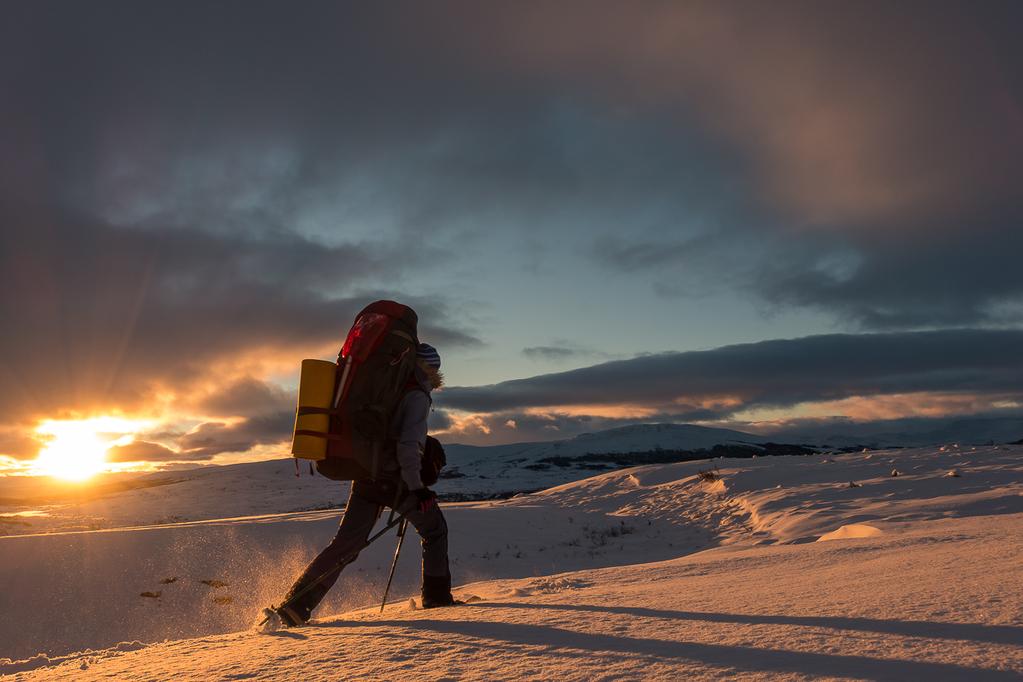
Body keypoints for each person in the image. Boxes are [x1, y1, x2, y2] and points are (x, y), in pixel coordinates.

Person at [274, 342, 453, 626]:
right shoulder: (416, 396)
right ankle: (437, 598)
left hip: (365, 473)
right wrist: (417, 487)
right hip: (396, 481)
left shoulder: (384, 390)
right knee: (435, 529)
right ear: (429, 370)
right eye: (434, 369)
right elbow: (408, 447)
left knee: (345, 545)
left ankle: (295, 606)